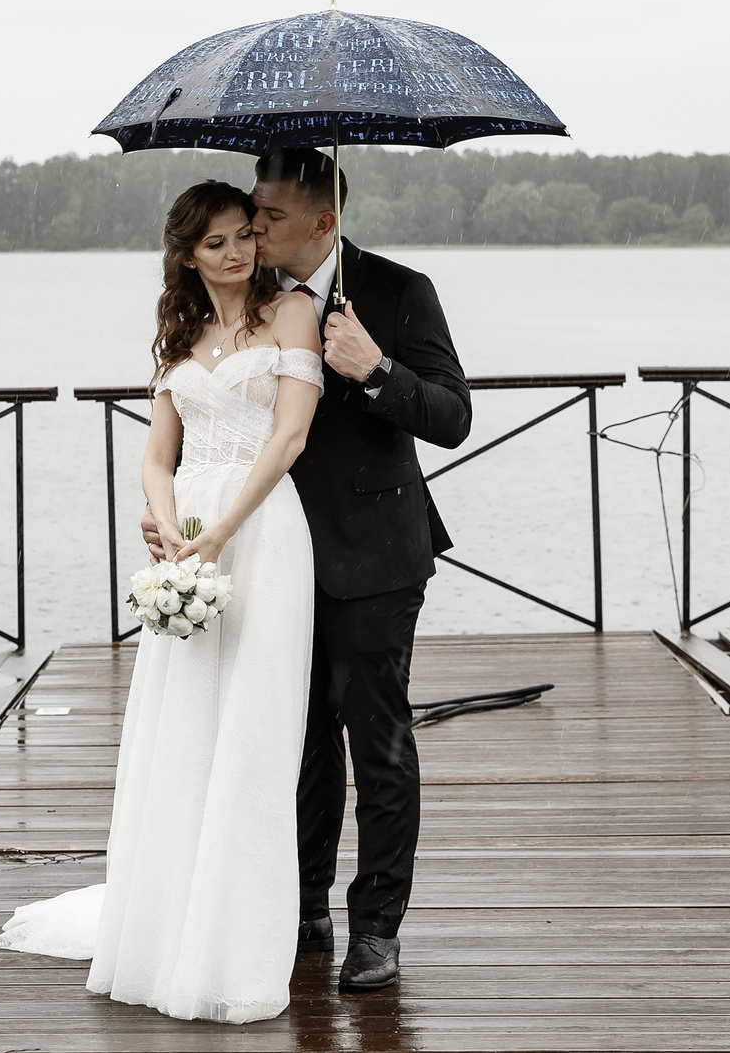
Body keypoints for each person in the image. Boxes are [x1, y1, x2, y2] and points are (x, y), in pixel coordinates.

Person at [141, 147, 470, 993]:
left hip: (375, 556)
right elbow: (199, 421)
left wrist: (378, 368)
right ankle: (301, 905)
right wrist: (176, 510)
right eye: (246, 215)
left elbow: (452, 416)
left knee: (378, 740)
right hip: (266, 553)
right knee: (295, 738)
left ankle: (377, 928)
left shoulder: (399, 291)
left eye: (270, 215)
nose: (253, 227)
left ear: (323, 221)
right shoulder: (251, 306)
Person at [0, 180, 324, 1023]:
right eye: (217, 241)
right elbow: (156, 454)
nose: (239, 251)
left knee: (254, 732)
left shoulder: (291, 314)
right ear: (186, 254)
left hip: (262, 532)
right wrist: (172, 523)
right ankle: (169, 927)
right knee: (181, 729)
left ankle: (236, 944)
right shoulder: (180, 334)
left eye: (246, 234)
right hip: (188, 535)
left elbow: (289, 435)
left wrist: (221, 530)